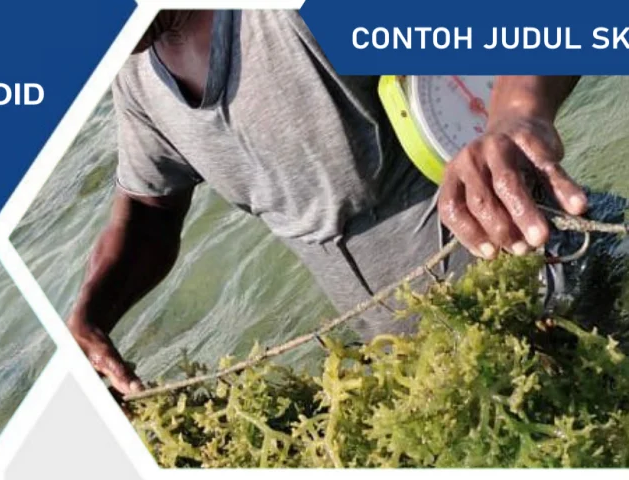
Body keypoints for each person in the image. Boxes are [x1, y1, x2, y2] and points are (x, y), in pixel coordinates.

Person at [67, 10, 588, 396]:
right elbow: (150, 211)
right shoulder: (136, 82)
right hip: (426, 365)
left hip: (545, 290)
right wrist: (92, 314)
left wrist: (517, 116)